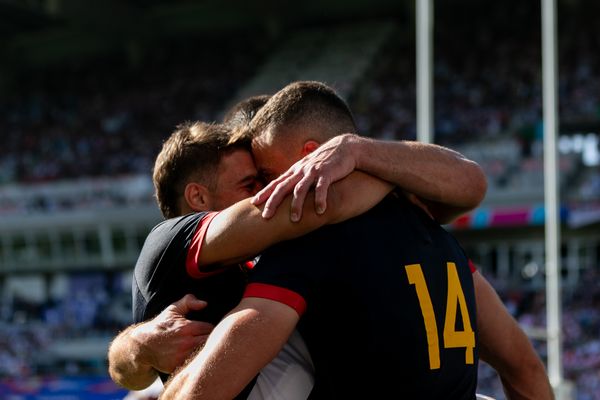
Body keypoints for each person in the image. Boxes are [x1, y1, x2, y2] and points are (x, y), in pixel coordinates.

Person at [160, 81, 553, 399]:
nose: (264, 189)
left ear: (310, 157)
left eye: (266, 173)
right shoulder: (430, 226)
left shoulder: (309, 243)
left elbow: (207, 388)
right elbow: (525, 369)